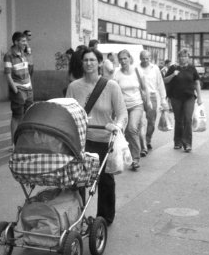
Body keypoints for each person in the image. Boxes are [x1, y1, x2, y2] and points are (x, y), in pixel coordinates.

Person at [66, 47, 128, 226]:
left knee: (105, 181)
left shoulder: (111, 86)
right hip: (81, 141)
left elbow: (122, 113)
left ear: (100, 63)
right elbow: (67, 112)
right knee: (77, 180)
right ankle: (77, 216)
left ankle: (104, 218)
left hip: (103, 139)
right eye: (85, 60)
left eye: (92, 60)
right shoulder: (74, 87)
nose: (89, 63)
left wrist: (116, 126)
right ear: (81, 63)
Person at [164, 48, 203, 152]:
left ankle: (187, 143)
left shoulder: (192, 68)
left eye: (185, 56)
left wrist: (199, 97)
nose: (183, 58)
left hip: (189, 97)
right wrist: (173, 75)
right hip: (176, 97)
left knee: (188, 119)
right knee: (178, 120)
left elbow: (197, 83)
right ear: (178, 58)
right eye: (181, 56)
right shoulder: (173, 68)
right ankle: (177, 142)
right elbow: (165, 80)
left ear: (188, 58)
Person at [113, 49, 146, 170]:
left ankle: (135, 158)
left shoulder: (137, 71)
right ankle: (129, 156)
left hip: (137, 105)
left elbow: (144, 88)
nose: (123, 61)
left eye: (125, 58)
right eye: (120, 59)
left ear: (130, 58)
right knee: (126, 132)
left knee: (132, 128)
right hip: (123, 107)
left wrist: (149, 102)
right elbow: (114, 92)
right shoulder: (117, 74)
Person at [4, 31, 34, 149]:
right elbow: (7, 74)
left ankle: (24, 141)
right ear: (16, 42)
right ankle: (14, 143)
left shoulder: (24, 53)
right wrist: (15, 90)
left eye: (26, 41)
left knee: (27, 115)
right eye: (23, 41)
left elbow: (27, 70)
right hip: (18, 90)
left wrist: (30, 85)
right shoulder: (9, 55)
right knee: (17, 116)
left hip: (28, 88)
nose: (25, 43)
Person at [137, 50, 169, 155]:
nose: (145, 60)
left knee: (151, 121)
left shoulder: (155, 68)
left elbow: (160, 84)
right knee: (140, 122)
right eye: (143, 58)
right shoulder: (136, 69)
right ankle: (142, 143)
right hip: (139, 97)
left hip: (152, 96)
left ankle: (148, 139)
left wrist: (163, 99)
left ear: (150, 58)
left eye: (147, 58)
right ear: (140, 58)